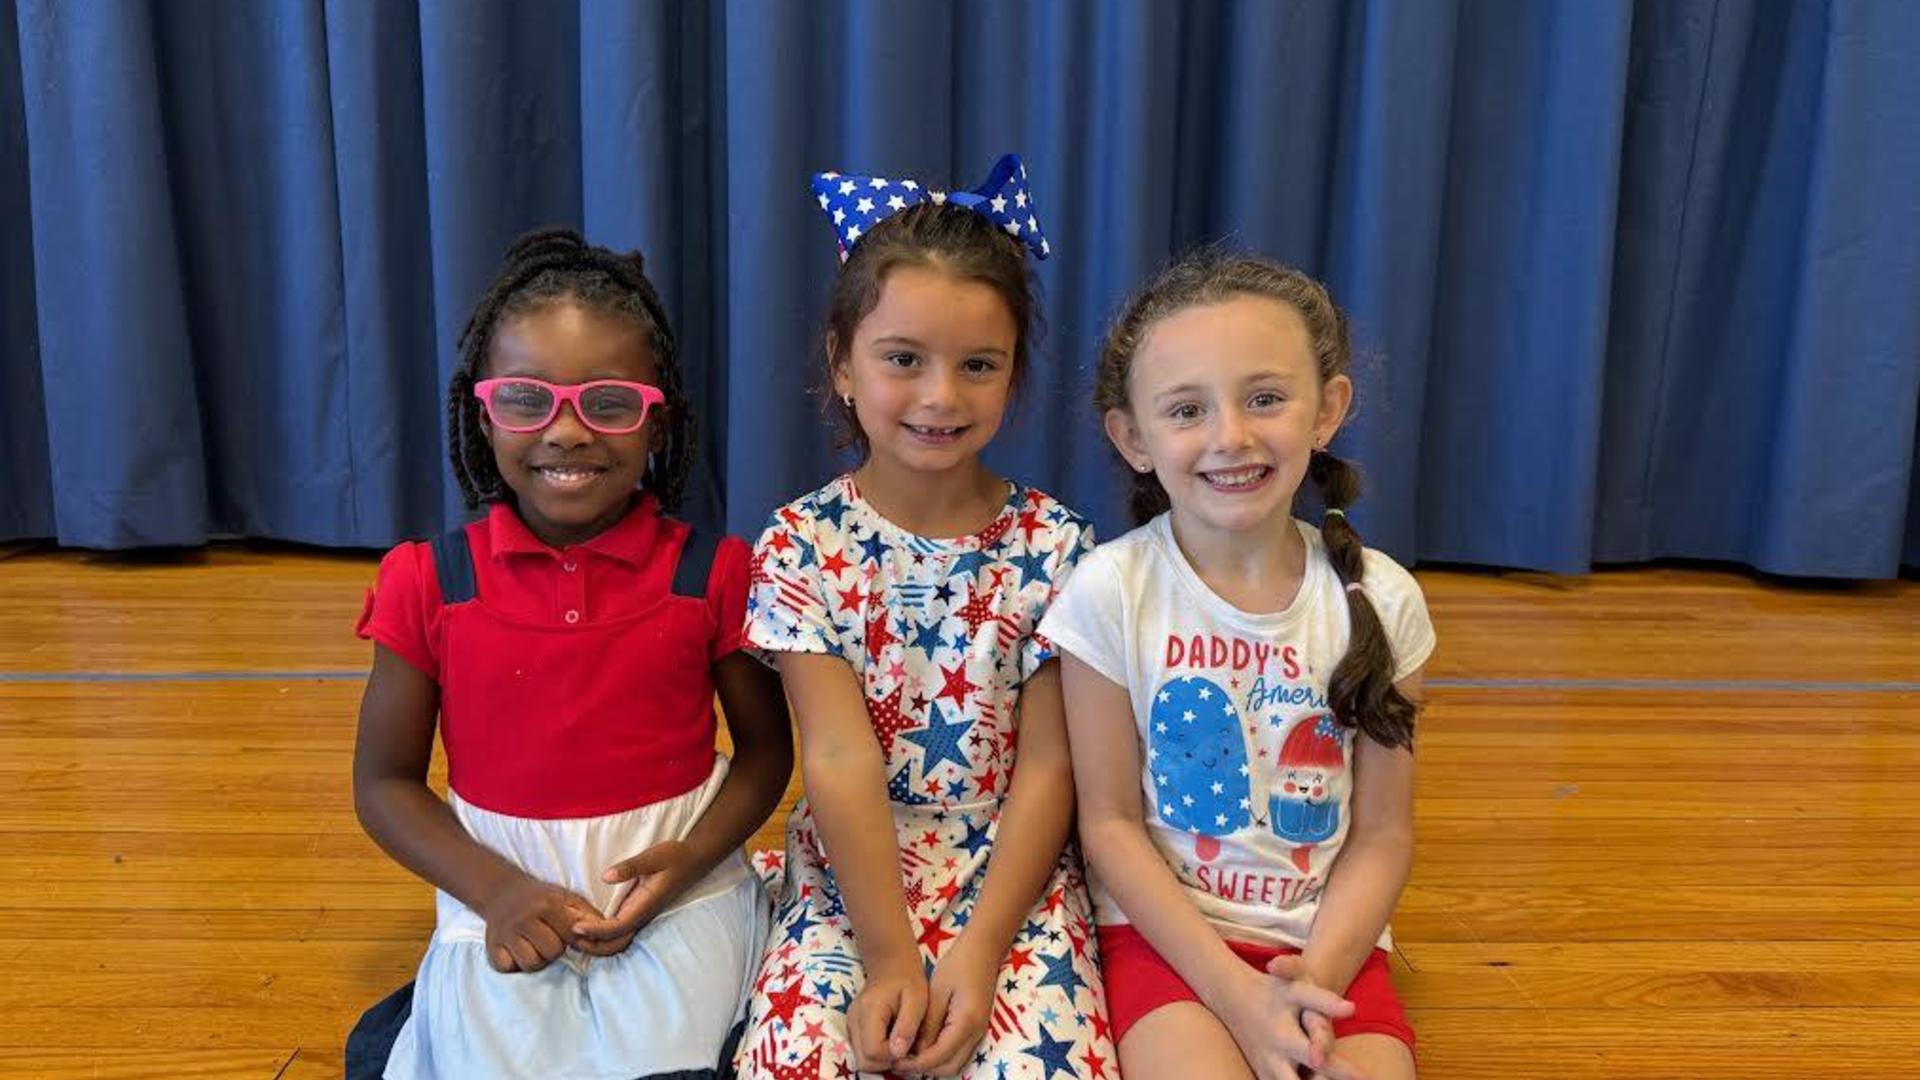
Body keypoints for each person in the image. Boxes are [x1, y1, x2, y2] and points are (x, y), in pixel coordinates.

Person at [347, 228, 791, 1079]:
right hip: (497, 892)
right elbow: (384, 784)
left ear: (657, 419)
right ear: (484, 414)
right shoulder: (427, 580)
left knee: (679, 1064)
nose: (567, 431)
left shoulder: (713, 571)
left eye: (610, 404)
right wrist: (497, 892)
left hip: (678, 888)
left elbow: (767, 753)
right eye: (526, 401)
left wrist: (689, 862)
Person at [732, 156, 1115, 1079]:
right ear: (843, 365)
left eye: (978, 365)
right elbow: (833, 755)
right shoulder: (800, 543)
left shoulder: (1059, 545)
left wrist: (979, 955)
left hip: (1014, 885)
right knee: (796, 1059)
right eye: (904, 359)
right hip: (854, 883)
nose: (941, 396)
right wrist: (891, 957)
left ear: (1014, 373)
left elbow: (1052, 766)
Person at [1041, 250, 1434, 1080]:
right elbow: (1108, 824)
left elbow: (1383, 835)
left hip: (1330, 943)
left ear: (1328, 410)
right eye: (1187, 409)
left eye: (1264, 398)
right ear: (1133, 437)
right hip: (1167, 944)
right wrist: (1234, 995)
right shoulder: (1109, 590)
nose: (1231, 436)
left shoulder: (1384, 598)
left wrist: (1310, 983)